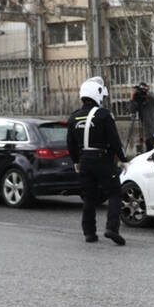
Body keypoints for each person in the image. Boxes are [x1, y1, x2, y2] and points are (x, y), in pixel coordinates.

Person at [67, 76, 130, 245]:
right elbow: (114, 140)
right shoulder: (104, 115)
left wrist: (76, 161)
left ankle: (89, 233)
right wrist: (123, 159)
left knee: (89, 197)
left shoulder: (74, 117)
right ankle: (112, 228)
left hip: (84, 161)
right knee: (115, 192)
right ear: (97, 94)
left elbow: (70, 143)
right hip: (103, 160)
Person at [129, 82, 154, 153]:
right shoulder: (138, 99)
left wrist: (147, 94)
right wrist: (132, 97)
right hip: (146, 129)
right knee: (149, 146)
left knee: (153, 146)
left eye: (144, 88)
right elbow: (132, 110)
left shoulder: (151, 97)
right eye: (141, 89)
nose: (143, 91)